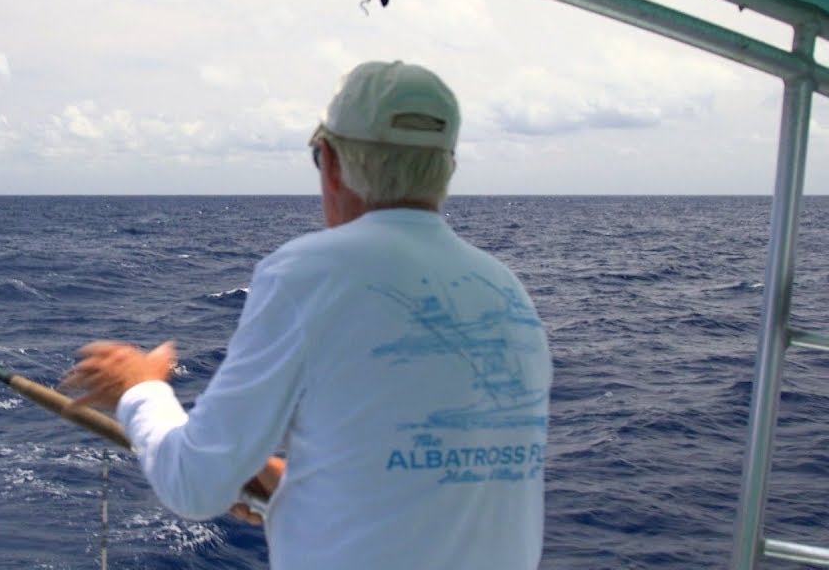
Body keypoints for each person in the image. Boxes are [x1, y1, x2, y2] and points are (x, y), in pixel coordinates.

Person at [63, 61, 552, 569]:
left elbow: (193, 485)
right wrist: (295, 482)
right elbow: (439, 480)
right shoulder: (504, 289)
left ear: (333, 162)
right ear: (446, 168)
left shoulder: (311, 273)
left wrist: (139, 389)